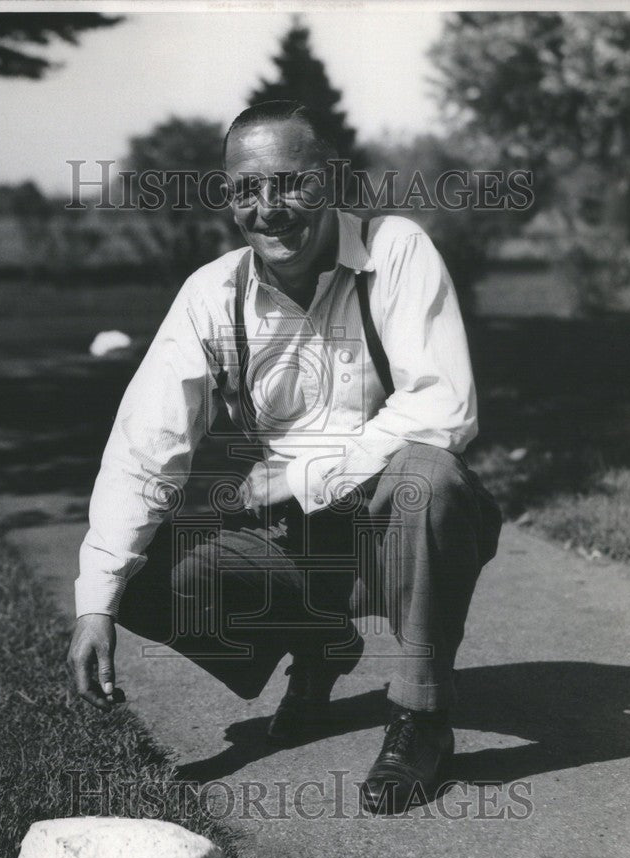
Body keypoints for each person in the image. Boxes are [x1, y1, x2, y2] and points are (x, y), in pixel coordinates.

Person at [67, 100, 502, 814]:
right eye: (245, 188)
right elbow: (144, 450)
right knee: (137, 578)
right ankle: (321, 643)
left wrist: (300, 475)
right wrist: (95, 606)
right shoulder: (212, 295)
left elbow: (443, 405)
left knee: (430, 476)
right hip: (295, 542)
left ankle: (423, 718)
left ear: (329, 180)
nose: (267, 209)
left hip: (399, 530)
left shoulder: (393, 251)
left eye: (290, 182)